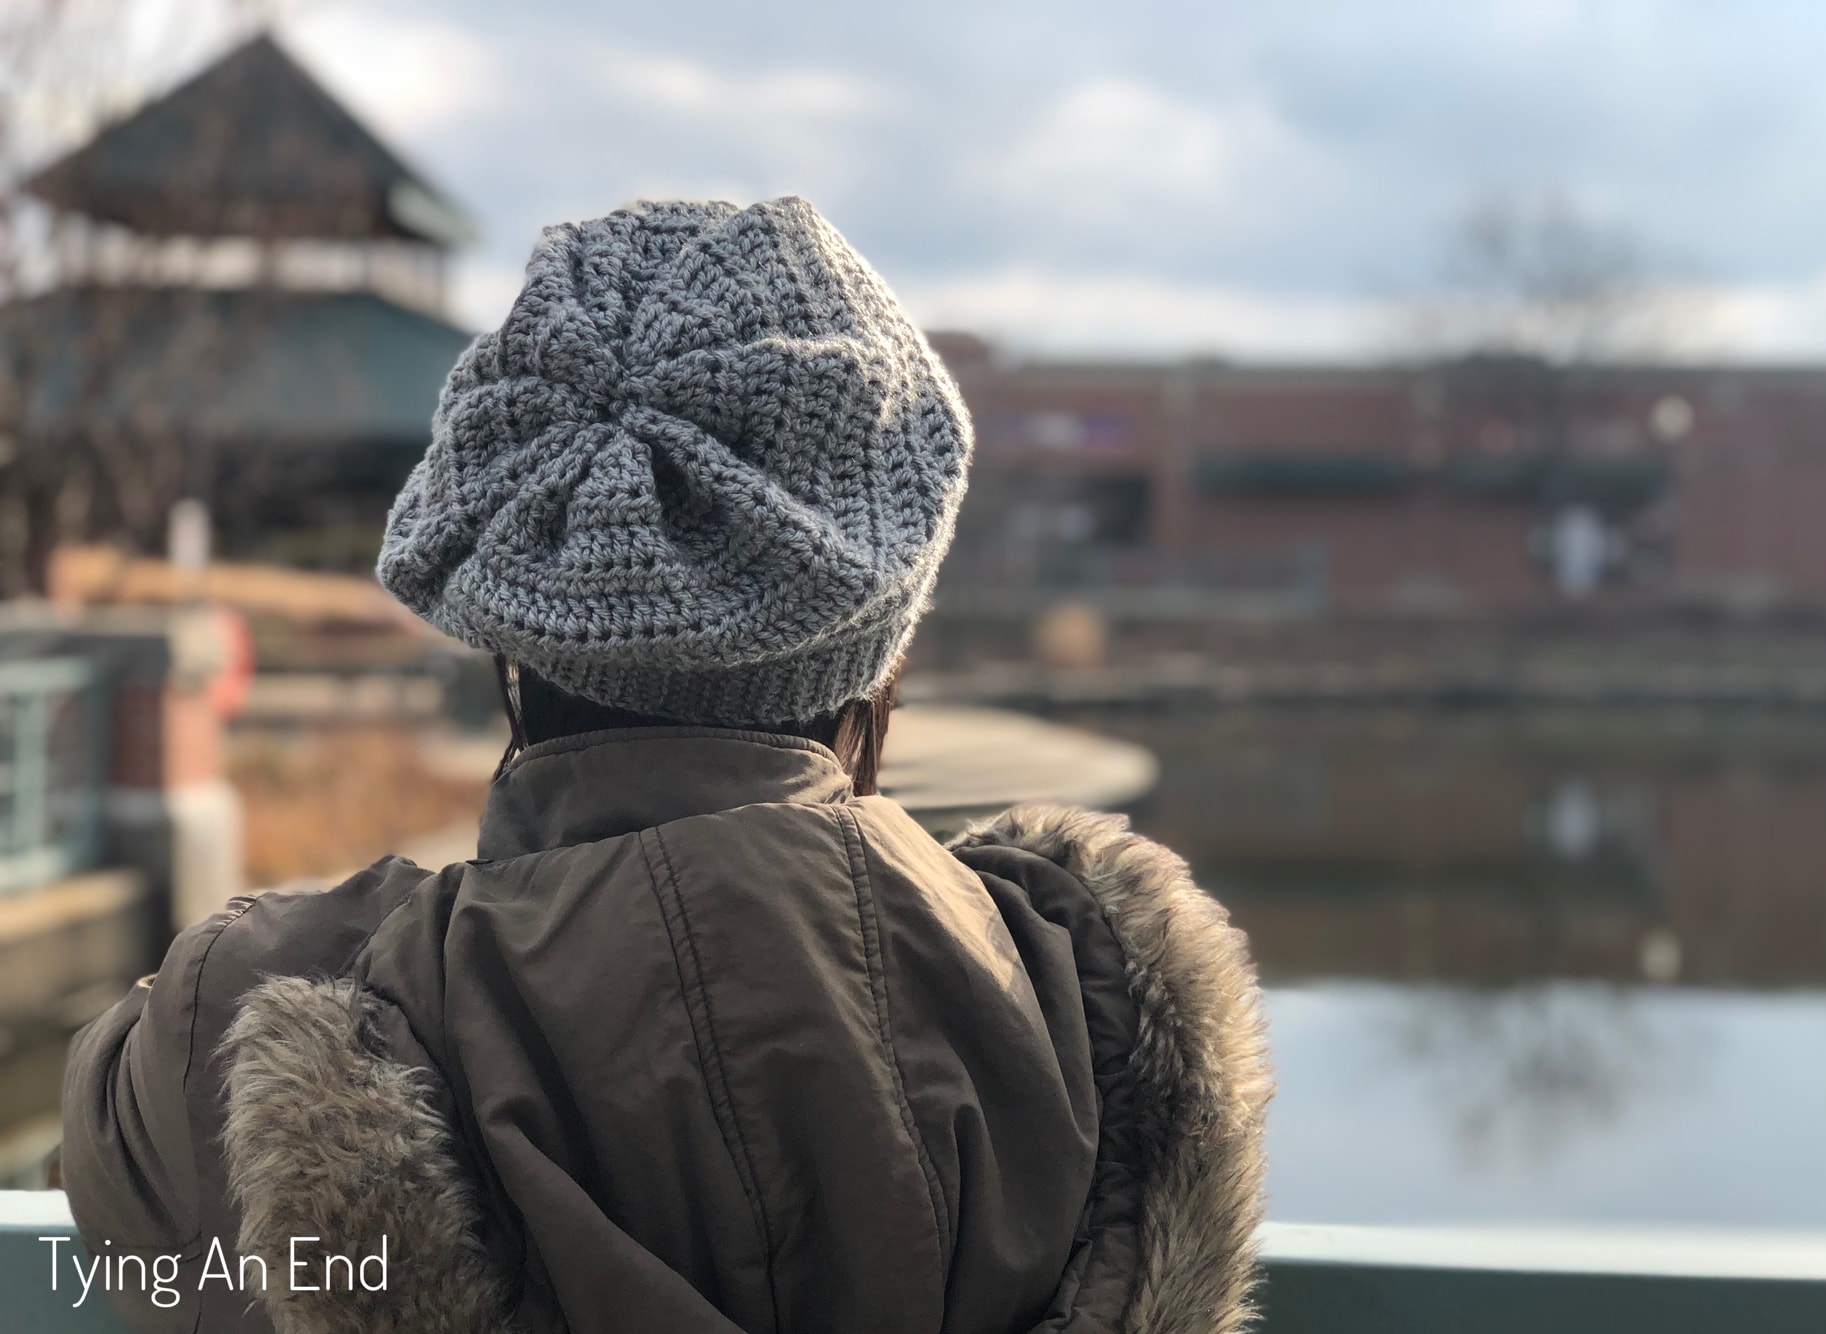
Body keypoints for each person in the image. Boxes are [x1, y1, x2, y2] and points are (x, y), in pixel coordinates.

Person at [60, 197, 1272, 1334]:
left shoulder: (244, 1024)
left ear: (508, 625)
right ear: (875, 648)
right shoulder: (1098, 1012)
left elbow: (130, 1218)